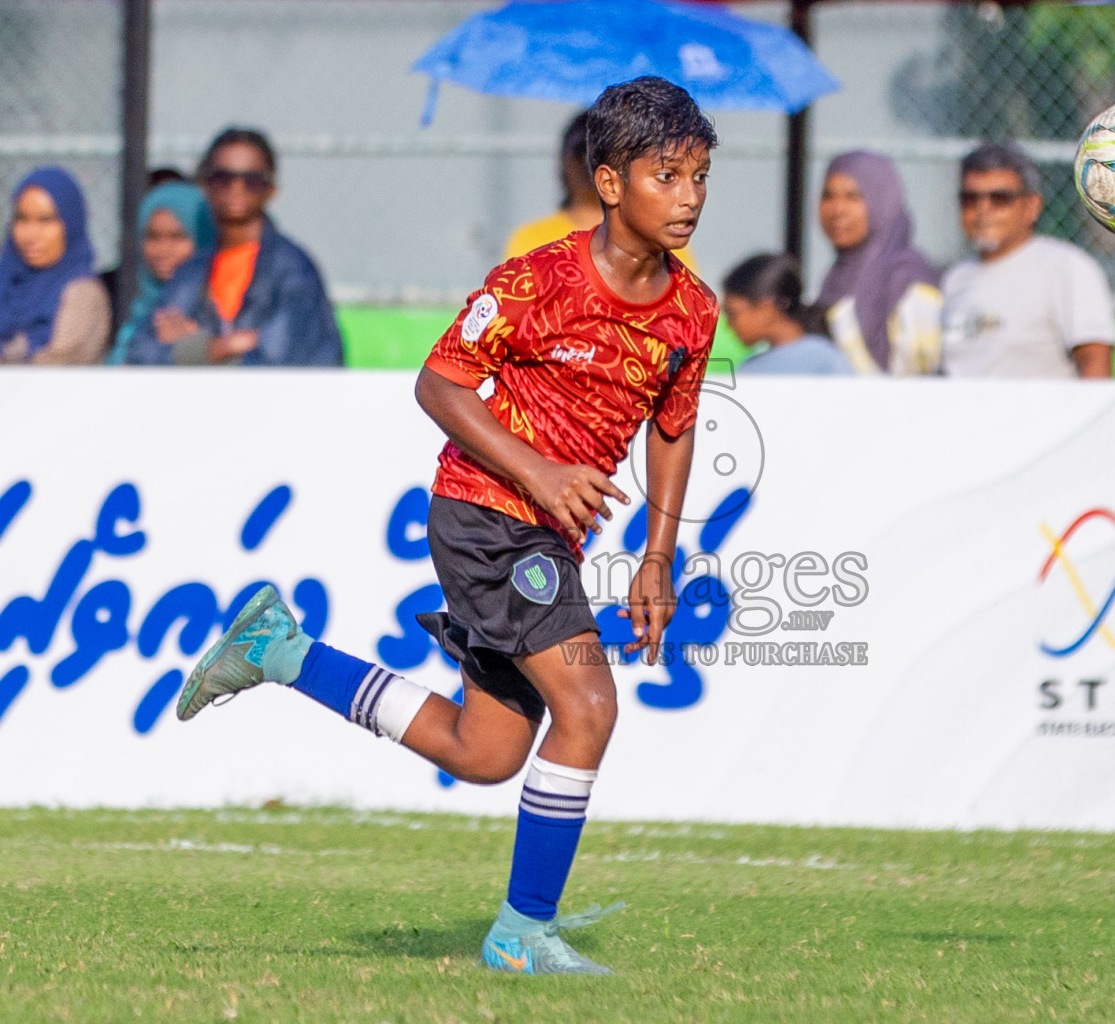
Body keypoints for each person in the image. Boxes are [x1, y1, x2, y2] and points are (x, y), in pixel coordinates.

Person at [173, 77, 719, 976]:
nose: (691, 195)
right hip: (488, 518)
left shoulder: (690, 312)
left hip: (546, 537)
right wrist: (540, 469)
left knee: (487, 751)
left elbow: (673, 422)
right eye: (669, 174)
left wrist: (657, 557)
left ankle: (280, 653)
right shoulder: (536, 280)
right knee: (587, 706)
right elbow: (438, 383)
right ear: (611, 182)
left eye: (700, 175)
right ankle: (520, 937)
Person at [126, 127, 343, 366]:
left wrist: (192, 352)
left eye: (252, 180)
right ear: (205, 185)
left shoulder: (293, 269)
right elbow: (141, 353)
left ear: (271, 189)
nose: (236, 187)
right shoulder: (191, 273)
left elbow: (282, 359)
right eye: (223, 178)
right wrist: (228, 345)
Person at [939, 144, 1115, 378]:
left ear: (1032, 206)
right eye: (970, 199)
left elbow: (1094, 360)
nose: (983, 209)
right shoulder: (954, 279)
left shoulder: (1065, 267)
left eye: (1000, 198)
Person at [504, 111, 698, 274]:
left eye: (600, 154)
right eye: (581, 152)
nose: (588, 163)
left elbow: (687, 306)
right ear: (565, 161)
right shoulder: (531, 238)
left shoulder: (657, 238)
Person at [0, 166, 110, 364]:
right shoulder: (4, 285)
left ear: (71, 224)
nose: (31, 235)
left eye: (45, 220)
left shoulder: (81, 292)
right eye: (22, 219)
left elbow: (56, 365)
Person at [815, 150, 941, 376]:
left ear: (883, 201)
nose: (837, 210)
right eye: (828, 196)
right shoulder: (835, 280)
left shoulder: (907, 282)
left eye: (853, 197)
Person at [107, 181, 216, 365]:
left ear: (203, 237)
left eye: (177, 237)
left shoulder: (218, 311)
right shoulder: (140, 314)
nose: (163, 250)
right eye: (153, 237)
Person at [722, 253, 852, 375]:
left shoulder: (823, 360)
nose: (728, 325)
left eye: (732, 314)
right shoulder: (748, 368)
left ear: (766, 309)